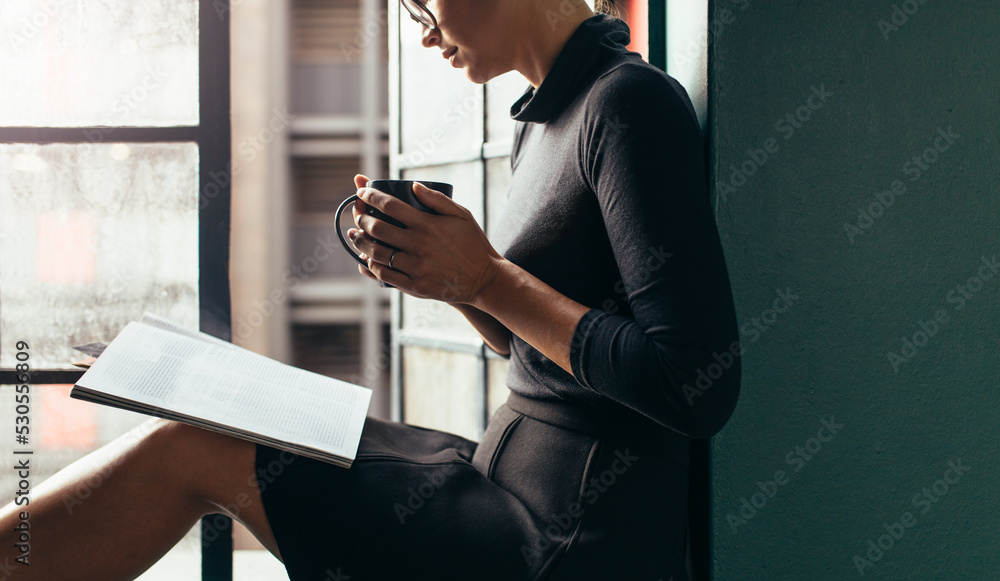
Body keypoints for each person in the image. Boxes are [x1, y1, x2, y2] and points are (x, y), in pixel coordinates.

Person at [0, 0, 740, 579]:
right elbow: (537, 342)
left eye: (423, 6)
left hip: (563, 537)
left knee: (194, 445)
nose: (422, 33)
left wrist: (485, 275)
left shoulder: (631, 104)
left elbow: (694, 383)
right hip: (497, 479)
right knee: (217, 411)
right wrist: (451, 282)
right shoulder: (544, 119)